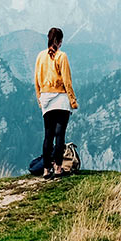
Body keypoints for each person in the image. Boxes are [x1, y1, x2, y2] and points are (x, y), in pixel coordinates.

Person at [34, 27, 78, 176]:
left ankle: (46, 169)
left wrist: (40, 99)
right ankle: (58, 168)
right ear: (60, 42)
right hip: (60, 99)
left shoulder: (40, 56)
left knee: (48, 135)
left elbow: (36, 80)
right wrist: (73, 101)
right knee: (60, 135)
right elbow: (67, 80)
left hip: (46, 99)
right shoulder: (62, 56)